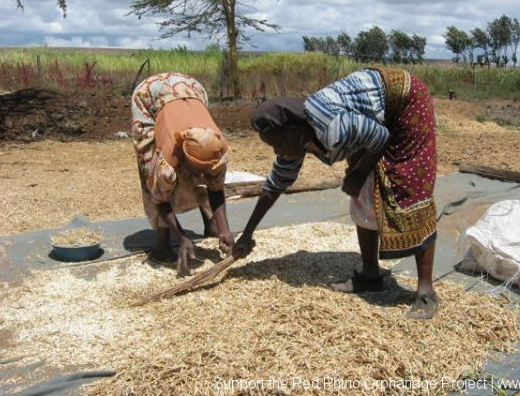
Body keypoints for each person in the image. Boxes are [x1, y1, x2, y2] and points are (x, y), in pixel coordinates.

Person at [231, 67, 439, 320]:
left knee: (407, 187)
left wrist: (359, 172)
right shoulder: (294, 141)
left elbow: (381, 137)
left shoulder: (333, 127)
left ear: (294, 131)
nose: (277, 151)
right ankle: (370, 276)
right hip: (370, 120)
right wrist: (247, 234)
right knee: (362, 194)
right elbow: (275, 184)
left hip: (406, 101)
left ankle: (426, 290)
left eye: (277, 144)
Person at [131, 72, 235, 274]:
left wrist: (225, 230)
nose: (200, 175)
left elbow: (216, 188)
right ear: (182, 159)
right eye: (196, 170)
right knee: (151, 171)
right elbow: (160, 199)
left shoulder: (219, 149)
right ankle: (163, 246)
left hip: (190, 89)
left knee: (202, 179)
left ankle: (212, 225)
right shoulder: (169, 161)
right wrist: (181, 237)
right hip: (149, 96)